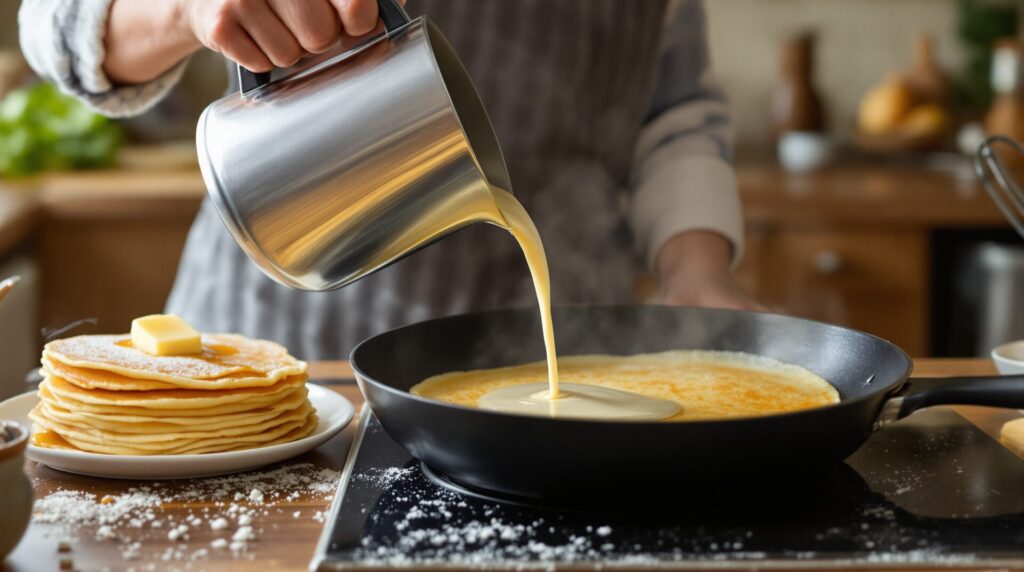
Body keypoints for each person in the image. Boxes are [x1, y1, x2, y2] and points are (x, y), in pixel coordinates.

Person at [20, 0, 763, 360]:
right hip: (288, 358)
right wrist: (184, 9)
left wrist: (696, 271)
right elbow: (52, 27)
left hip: (553, 359)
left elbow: (675, 115)